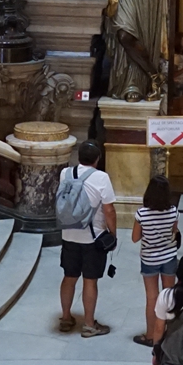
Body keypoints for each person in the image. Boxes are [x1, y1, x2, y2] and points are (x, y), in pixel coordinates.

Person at [57, 139, 118, 338]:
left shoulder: (66, 173)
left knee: (69, 277)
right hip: (93, 237)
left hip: (68, 234)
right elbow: (109, 209)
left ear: (79, 157)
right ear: (97, 159)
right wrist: (113, 233)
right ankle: (89, 325)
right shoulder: (101, 177)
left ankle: (66, 318)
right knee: (90, 281)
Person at [134, 175, 181, 347]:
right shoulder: (173, 211)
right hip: (169, 256)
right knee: (169, 296)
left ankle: (151, 335)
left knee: (152, 298)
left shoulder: (142, 214)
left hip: (149, 259)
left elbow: (134, 237)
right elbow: (174, 232)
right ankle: (168, 332)